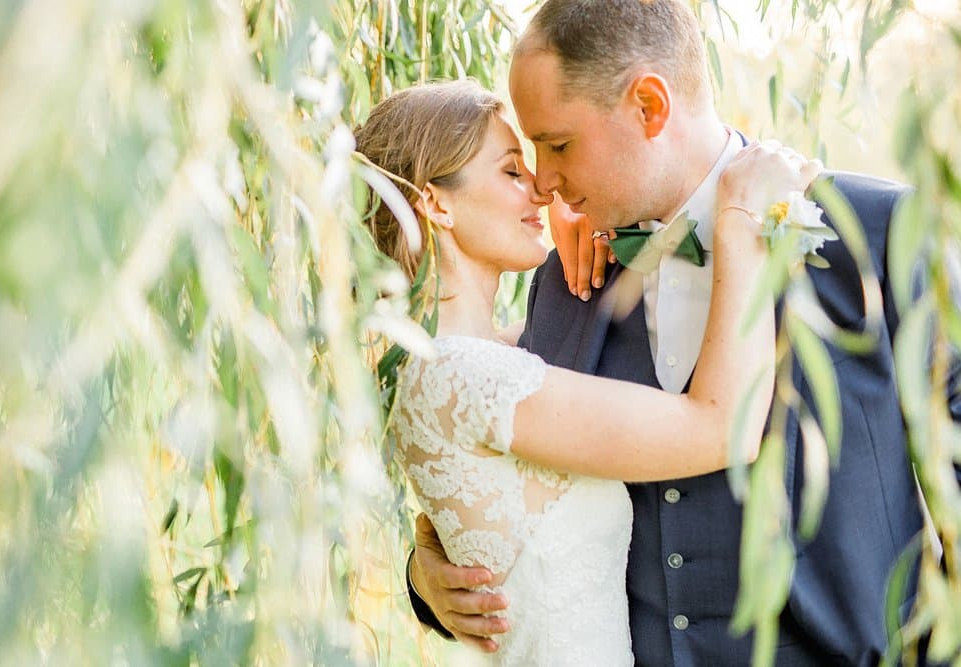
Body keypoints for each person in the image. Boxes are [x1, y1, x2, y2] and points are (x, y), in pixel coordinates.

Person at [407, 1, 961, 665]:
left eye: (558, 145)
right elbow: (499, 485)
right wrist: (425, 575)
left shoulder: (881, 238)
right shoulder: (568, 282)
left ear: (649, 105)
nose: (545, 185)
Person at [355, 79, 821, 665]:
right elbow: (720, 426)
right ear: (436, 203)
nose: (544, 192)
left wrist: (606, 210)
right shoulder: (461, 374)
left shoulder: (468, 358)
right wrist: (739, 220)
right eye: (510, 172)